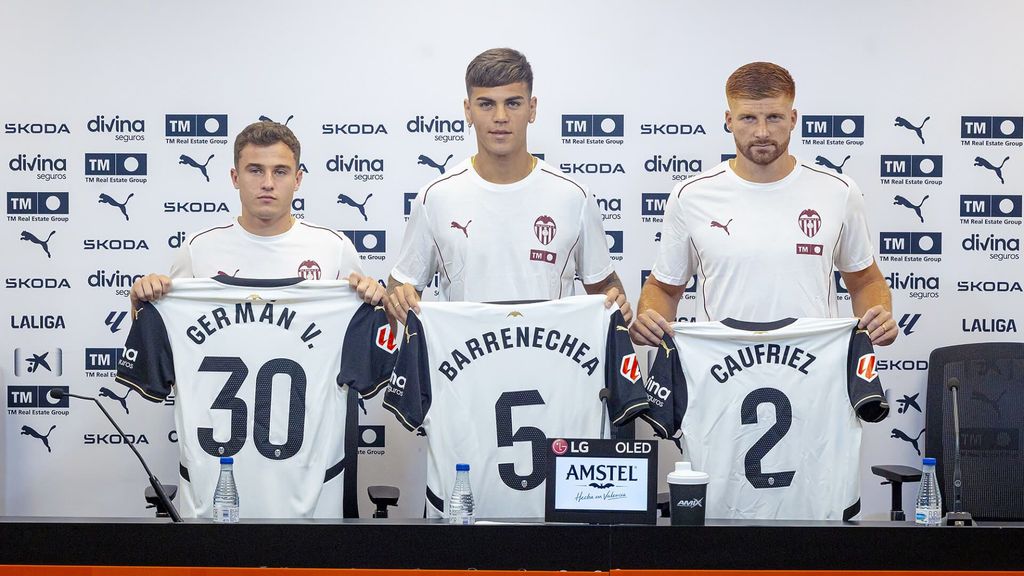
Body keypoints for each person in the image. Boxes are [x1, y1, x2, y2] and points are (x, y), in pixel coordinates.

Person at [630, 62, 896, 347]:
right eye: (748, 118)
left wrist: (878, 317)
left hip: (815, 369)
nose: (762, 132)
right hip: (721, 370)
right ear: (729, 120)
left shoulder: (838, 191)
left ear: (793, 119)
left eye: (774, 117)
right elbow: (665, 288)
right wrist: (649, 318)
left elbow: (865, 280)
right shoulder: (691, 195)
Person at [386, 47, 629, 321]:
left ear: (532, 108)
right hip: (463, 361)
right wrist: (399, 296)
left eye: (513, 103)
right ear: (468, 110)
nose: (500, 116)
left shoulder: (573, 196)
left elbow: (604, 286)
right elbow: (402, 285)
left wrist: (616, 298)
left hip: (551, 361)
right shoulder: (436, 197)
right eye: (486, 104)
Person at [130, 121, 385, 307]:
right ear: (235, 177)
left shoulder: (334, 247)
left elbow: (364, 340)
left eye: (280, 172)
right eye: (255, 170)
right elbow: (166, 332)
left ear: (297, 180)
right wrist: (141, 301)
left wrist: (376, 302)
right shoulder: (198, 249)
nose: (268, 183)